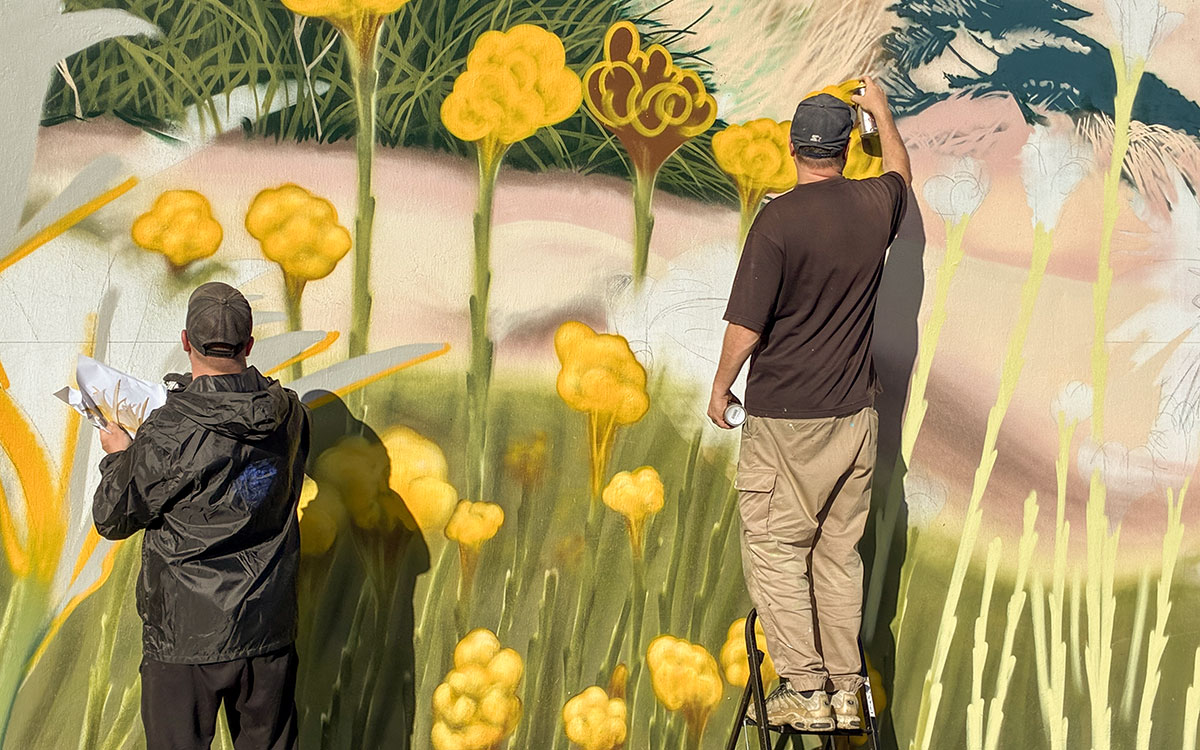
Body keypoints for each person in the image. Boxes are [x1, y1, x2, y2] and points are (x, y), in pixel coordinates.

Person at [708, 77, 910, 731]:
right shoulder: (877, 205)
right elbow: (901, 173)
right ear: (847, 150)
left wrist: (720, 385)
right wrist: (881, 113)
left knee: (774, 546)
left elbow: (747, 326)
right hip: (854, 420)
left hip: (787, 422)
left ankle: (806, 689)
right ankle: (847, 687)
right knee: (835, 553)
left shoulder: (778, 220)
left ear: (795, 148)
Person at [94, 281, 310, 750]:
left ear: (186, 341)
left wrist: (118, 456)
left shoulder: (171, 430)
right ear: (249, 345)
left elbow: (112, 517)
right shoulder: (291, 413)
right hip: (265, 626)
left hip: (185, 635)